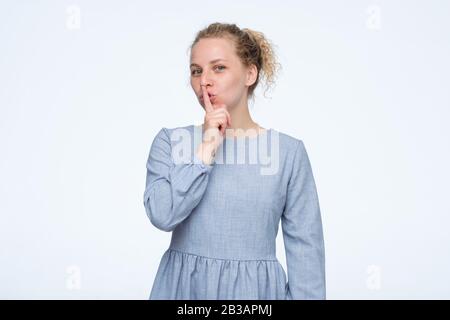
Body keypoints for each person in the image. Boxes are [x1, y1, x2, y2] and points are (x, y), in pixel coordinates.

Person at [143, 22, 326, 299]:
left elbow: (307, 255)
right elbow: (162, 215)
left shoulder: (288, 152)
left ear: (249, 73)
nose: (204, 80)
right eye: (196, 71)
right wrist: (205, 149)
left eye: (219, 68)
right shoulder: (170, 142)